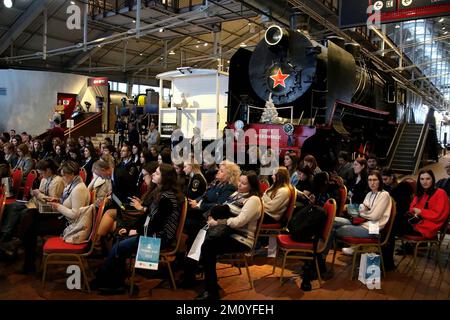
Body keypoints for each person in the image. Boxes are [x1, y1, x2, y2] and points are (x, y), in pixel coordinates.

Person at [91, 163, 182, 293]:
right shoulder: (160, 192)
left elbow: (156, 225)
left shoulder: (167, 197)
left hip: (159, 238)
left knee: (118, 247)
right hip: (152, 233)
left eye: (157, 173)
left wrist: (137, 231)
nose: (153, 175)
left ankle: (109, 281)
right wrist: (130, 229)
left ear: (165, 178)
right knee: (119, 239)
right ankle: (114, 281)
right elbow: (146, 217)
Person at [8, 161, 90, 273]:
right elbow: (68, 202)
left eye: (64, 175)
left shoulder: (79, 189)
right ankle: (19, 244)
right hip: (62, 217)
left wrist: (58, 206)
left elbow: (75, 214)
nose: (63, 178)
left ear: (71, 174)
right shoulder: (73, 184)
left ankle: (25, 258)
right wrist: (58, 200)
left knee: (31, 228)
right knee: (30, 214)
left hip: (69, 225)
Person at [195, 171, 262, 300]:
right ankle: (208, 281)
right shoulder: (238, 194)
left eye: (243, 183)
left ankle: (211, 291)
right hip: (229, 232)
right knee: (203, 239)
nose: (239, 185)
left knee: (208, 247)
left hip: (242, 239)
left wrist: (218, 222)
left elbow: (239, 222)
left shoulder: (253, 200)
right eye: (239, 181)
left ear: (252, 186)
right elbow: (224, 207)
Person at [0, 159, 64, 244]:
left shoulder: (57, 181)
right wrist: (35, 192)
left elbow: (52, 200)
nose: (40, 176)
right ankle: (6, 233)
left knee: (23, 212)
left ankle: (9, 235)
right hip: (36, 202)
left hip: (47, 208)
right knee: (11, 206)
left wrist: (38, 194)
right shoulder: (45, 179)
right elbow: (41, 192)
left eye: (41, 173)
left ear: (48, 170)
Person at [332, 170, 392, 256]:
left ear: (380, 181)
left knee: (333, 230)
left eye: (375, 180)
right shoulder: (369, 194)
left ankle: (320, 257)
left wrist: (363, 213)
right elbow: (360, 210)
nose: (372, 183)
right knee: (332, 221)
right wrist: (365, 212)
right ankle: (320, 256)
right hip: (361, 222)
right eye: (370, 180)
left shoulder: (384, 195)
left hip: (374, 228)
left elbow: (374, 216)